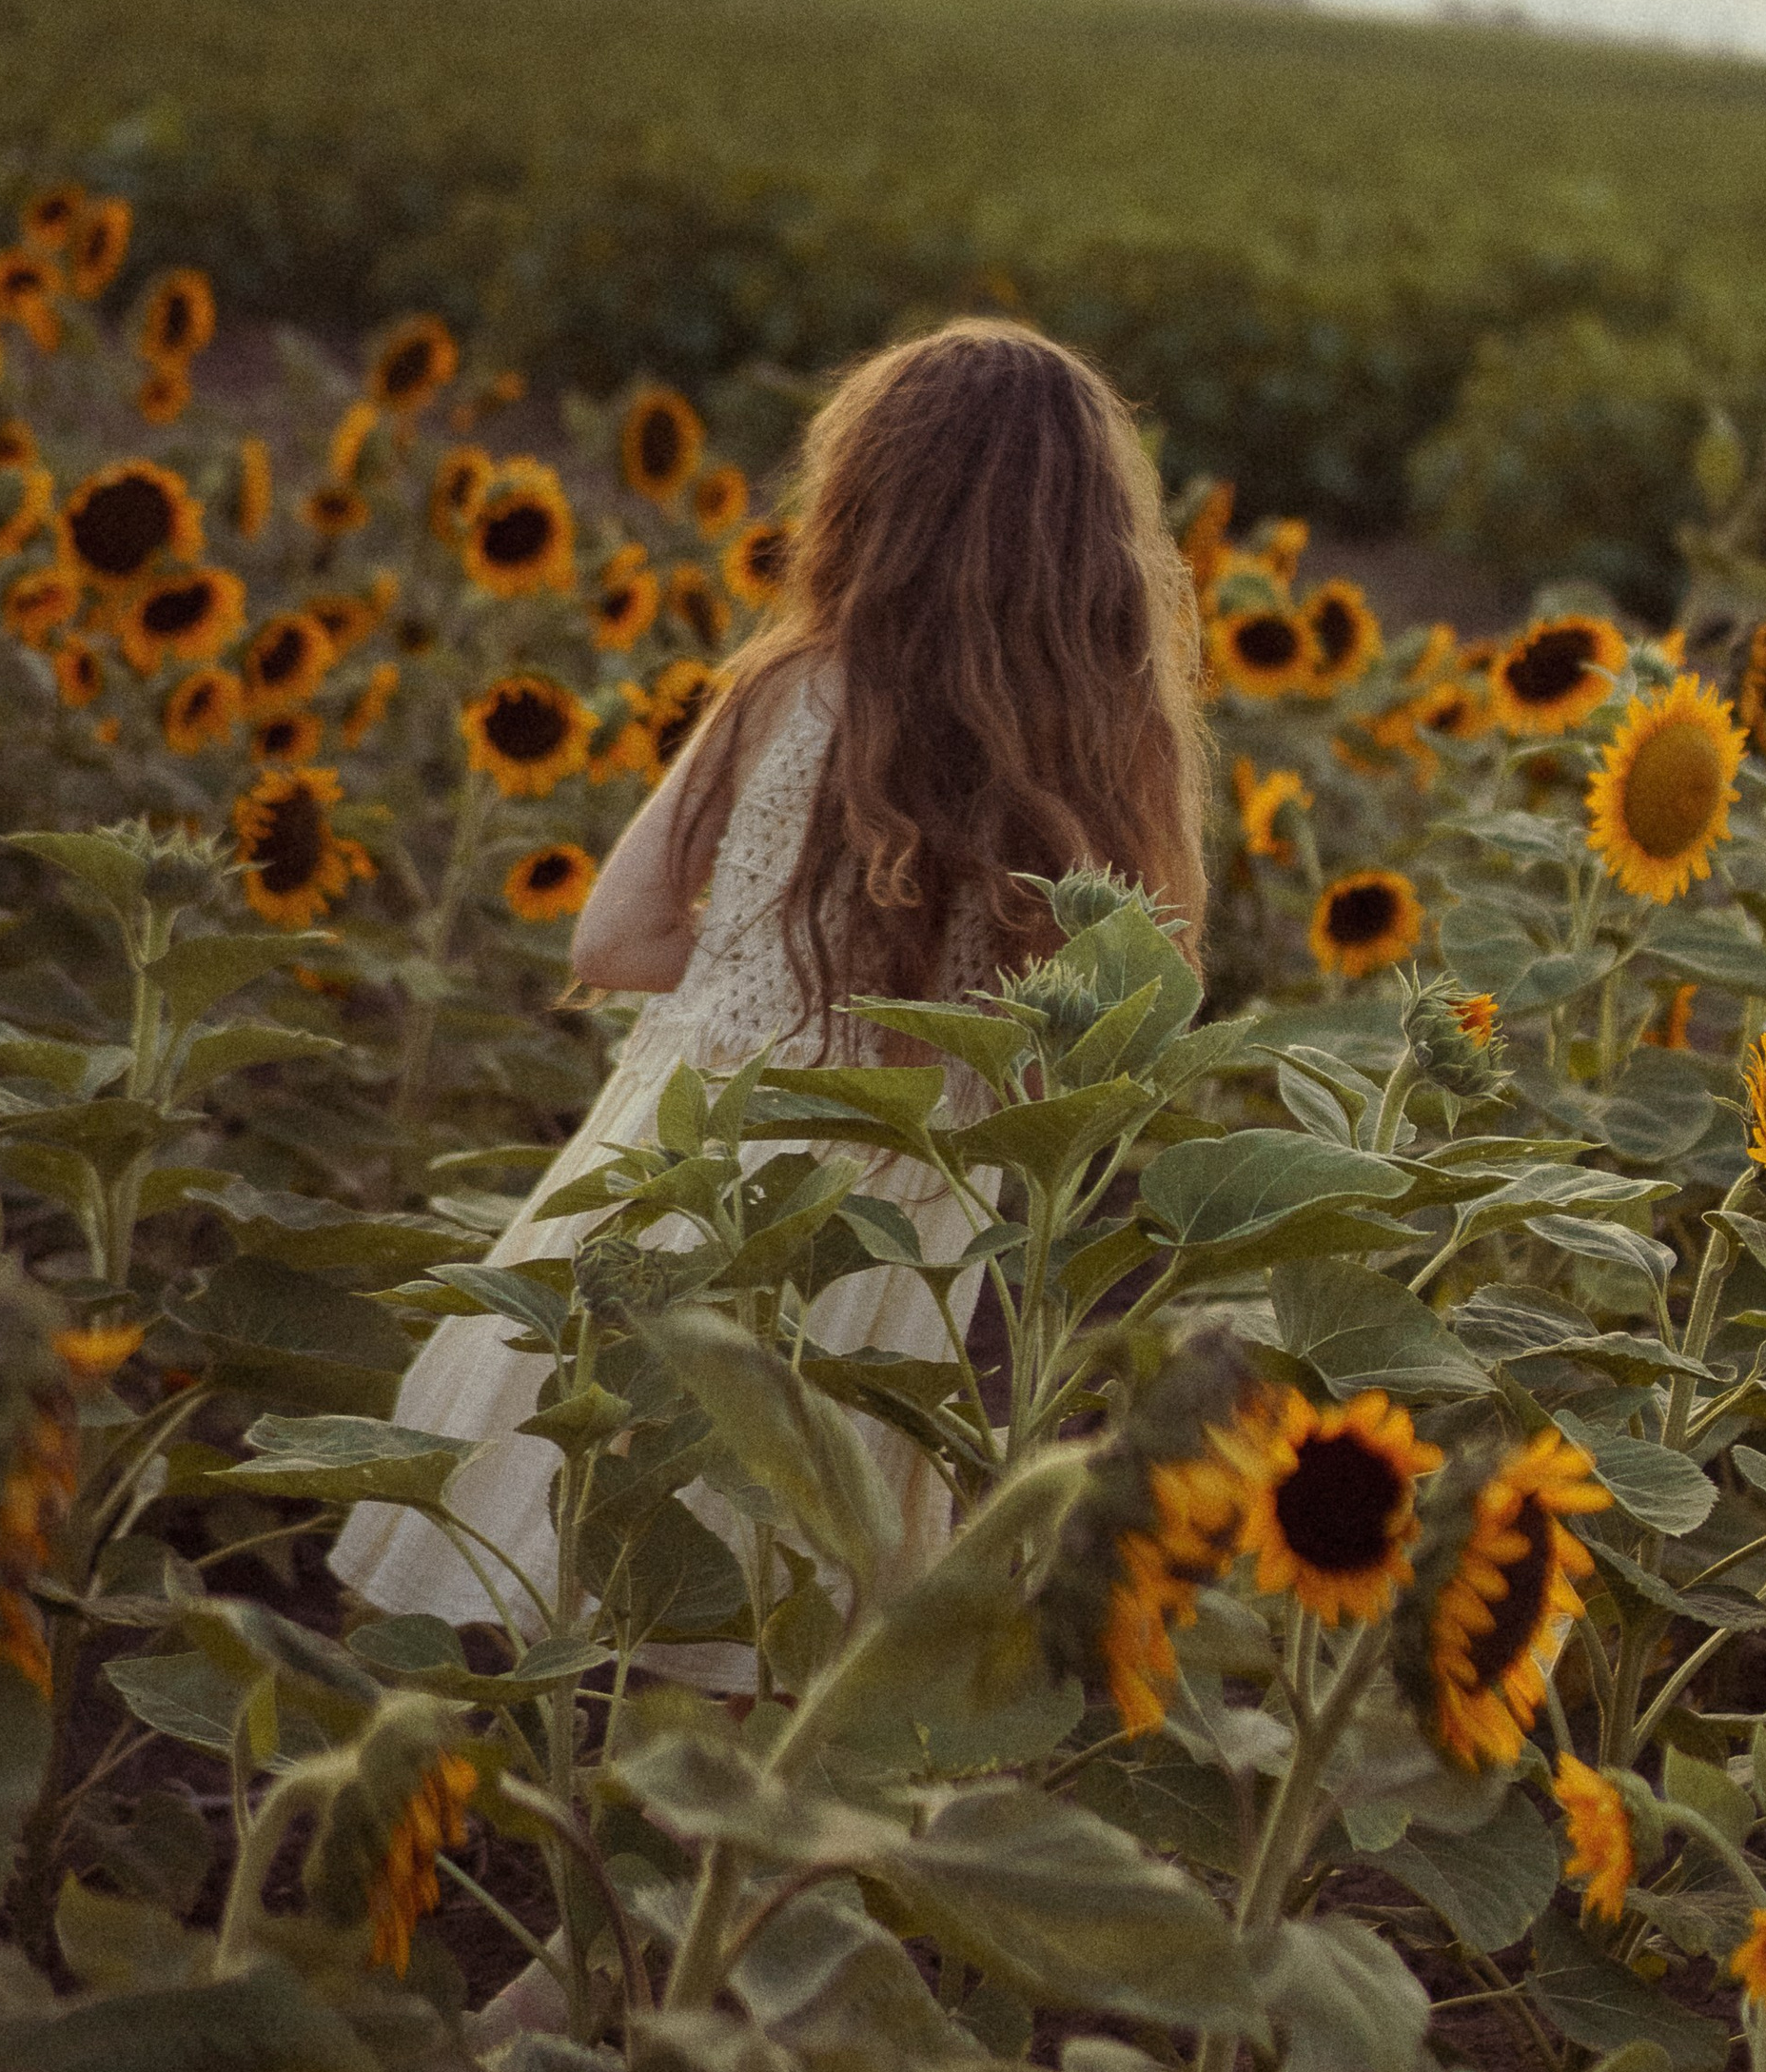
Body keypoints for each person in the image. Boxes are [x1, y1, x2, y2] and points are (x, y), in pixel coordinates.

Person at [328, 319, 1209, 1659]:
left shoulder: (791, 688)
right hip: (903, 1235)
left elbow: (612, 943)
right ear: (1096, 545)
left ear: (867, 497)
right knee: (788, 1609)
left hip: (697, 1165)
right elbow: (1131, 1019)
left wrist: (761, 975)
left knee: (577, 1536)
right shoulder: (1110, 745)